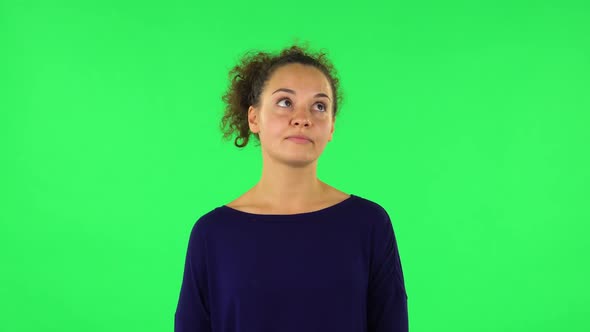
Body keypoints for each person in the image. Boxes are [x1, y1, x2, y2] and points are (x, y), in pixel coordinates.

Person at [174, 43, 408, 332]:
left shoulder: (369, 225)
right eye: (285, 102)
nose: (303, 118)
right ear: (254, 117)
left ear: (332, 125)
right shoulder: (212, 234)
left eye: (319, 106)